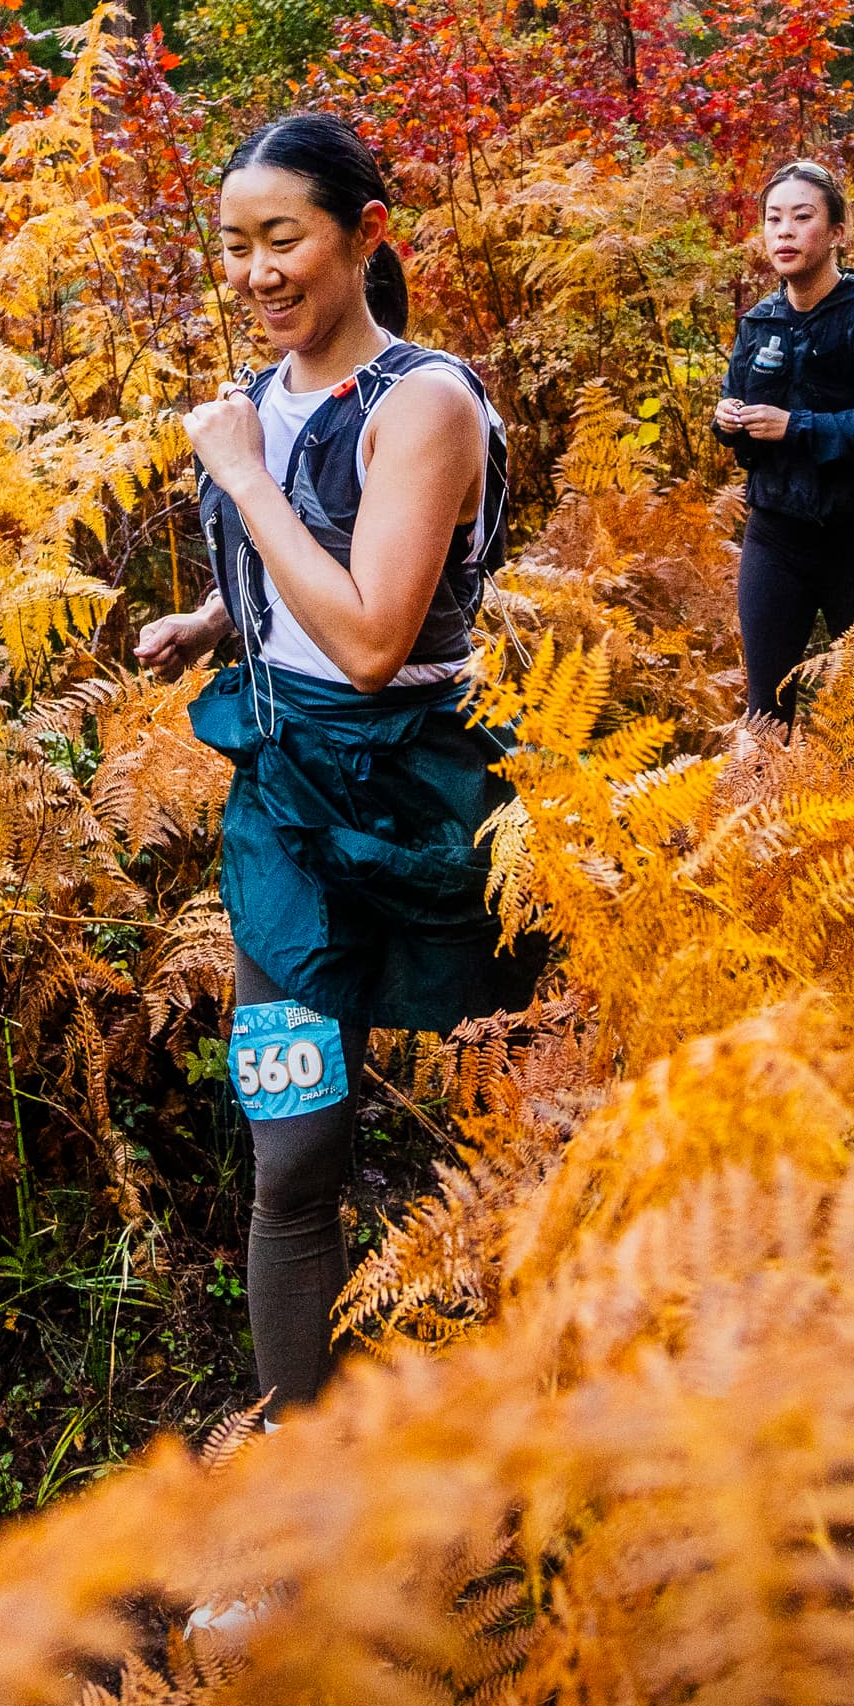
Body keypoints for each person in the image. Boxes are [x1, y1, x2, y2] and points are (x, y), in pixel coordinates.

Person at [134, 112, 526, 1411]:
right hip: (287, 817)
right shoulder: (263, 400)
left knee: (509, 1118)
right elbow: (301, 594)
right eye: (235, 247)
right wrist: (212, 618)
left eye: (280, 239)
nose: (253, 272)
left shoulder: (425, 403)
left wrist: (242, 480)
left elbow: (372, 642)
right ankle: (297, 1480)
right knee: (291, 1156)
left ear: (364, 235)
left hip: (426, 806)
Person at [714, 160, 854, 721]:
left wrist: (795, 425)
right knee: (765, 710)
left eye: (802, 217)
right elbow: (738, 416)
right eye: (774, 219)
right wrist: (727, 419)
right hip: (775, 538)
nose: (784, 231)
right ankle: (765, 809)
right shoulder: (759, 322)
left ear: (835, 234)